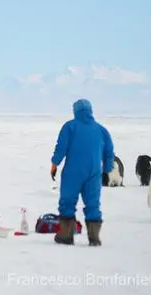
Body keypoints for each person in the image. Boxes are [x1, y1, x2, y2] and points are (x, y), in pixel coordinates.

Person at [50, 98, 114, 246]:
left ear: (75, 111)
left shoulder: (70, 127)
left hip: (73, 171)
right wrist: (106, 170)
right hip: (94, 173)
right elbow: (109, 152)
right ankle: (94, 238)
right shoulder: (101, 130)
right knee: (93, 204)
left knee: (67, 202)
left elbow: (61, 148)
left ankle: (66, 236)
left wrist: (54, 164)